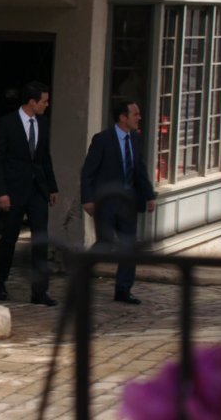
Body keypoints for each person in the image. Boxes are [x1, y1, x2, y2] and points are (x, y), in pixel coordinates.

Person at [80, 100, 156, 305]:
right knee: (105, 242)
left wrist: (149, 195)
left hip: (128, 202)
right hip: (106, 202)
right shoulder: (102, 139)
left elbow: (140, 169)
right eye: (135, 114)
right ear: (123, 117)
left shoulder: (135, 139)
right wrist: (87, 199)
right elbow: (88, 172)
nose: (139, 118)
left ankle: (123, 289)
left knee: (128, 246)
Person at [0, 81, 59, 306]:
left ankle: (40, 292)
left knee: (40, 240)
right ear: (32, 102)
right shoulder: (6, 124)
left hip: (37, 190)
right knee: (8, 239)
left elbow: (45, 156)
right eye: (44, 101)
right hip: (13, 191)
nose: (46, 105)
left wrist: (52, 187)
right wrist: (1, 192)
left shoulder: (43, 123)